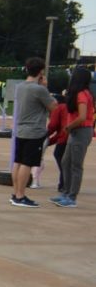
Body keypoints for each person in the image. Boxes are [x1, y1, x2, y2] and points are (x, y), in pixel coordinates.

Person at [9, 57, 57, 208]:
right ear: (41, 71)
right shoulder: (39, 89)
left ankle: (16, 193)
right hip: (34, 131)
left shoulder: (21, 86)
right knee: (27, 164)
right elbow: (53, 107)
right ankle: (20, 196)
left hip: (21, 129)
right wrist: (45, 86)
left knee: (17, 162)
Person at [51, 65, 93, 208]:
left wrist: (68, 127)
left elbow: (82, 117)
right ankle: (65, 192)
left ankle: (71, 197)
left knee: (76, 165)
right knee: (65, 161)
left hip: (81, 131)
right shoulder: (78, 93)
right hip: (75, 131)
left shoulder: (82, 94)